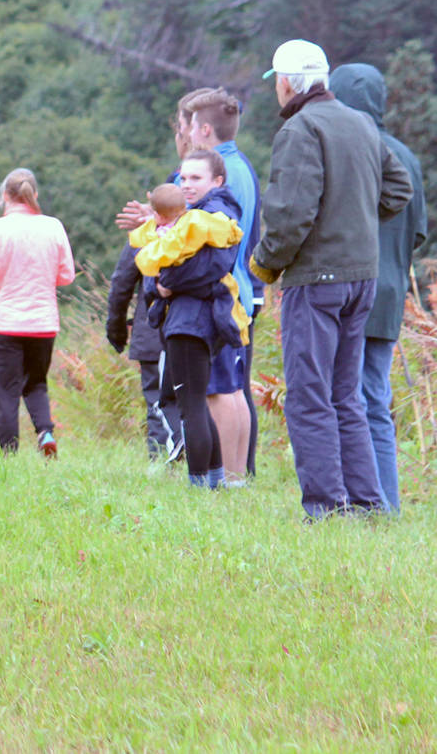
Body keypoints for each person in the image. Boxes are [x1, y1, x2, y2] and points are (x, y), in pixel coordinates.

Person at [251, 40, 412, 518]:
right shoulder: (358, 121)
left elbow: (290, 214)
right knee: (346, 395)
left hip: (317, 281)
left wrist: (265, 264)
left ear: (285, 83)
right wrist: (354, 217)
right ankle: (367, 503)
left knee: (308, 394)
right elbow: (398, 187)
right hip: (361, 277)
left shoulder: (301, 129)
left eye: (276, 82)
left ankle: (325, 507)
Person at [327, 62, 427, 513]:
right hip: (388, 293)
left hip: (345, 285)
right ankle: (385, 502)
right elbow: (419, 230)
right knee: (374, 399)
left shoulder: (343, 145)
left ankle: (356, 498)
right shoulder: (406, 156)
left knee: (342, 398)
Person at [130, 150, 250, 487]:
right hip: (193, 320)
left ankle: (201, 485)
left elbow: (208, 269)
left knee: (193, 404)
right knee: (199, 400)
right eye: (182, 178)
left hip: (192, 321)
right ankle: (215, 479)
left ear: (218, 181)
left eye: (195, 178)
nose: (186, 185)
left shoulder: (212, 217)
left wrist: (164, 282)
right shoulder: (194, 219)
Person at [178, 88, 264, 476]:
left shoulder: (225, 178)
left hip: (221, 293)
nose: (188, 134)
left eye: (191, 126)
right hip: (241, 288)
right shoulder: (241, 165)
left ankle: (229, 475)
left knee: (219, 389)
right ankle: (239, 474)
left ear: (206, 129)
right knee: (234, 386)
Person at [0, 169, 75, 456]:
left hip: (6, 321)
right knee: (36, 383)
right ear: (35, 194)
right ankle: (45, 432)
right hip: (43, 321)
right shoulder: (53, 226)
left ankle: (8, 453)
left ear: (5, 196)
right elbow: (67, 275)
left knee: (6, 391)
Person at [107, 186, 181, 459]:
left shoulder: (144, 236)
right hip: (190, 329)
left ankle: (161, 461)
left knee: (156, 402)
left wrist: (116, 330)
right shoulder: (197, 231)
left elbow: (121, 284)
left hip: (151, 328)